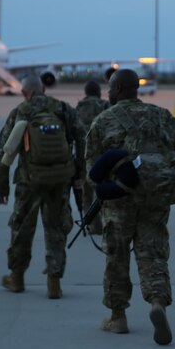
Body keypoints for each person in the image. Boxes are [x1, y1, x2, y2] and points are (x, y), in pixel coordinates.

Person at [85, 68, 175, 345]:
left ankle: (118, 317)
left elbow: (91, 169)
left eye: (110, 88)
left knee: (117, 256)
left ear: (118, 89)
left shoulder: (104, 121)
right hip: (156, 198)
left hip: (120, 200)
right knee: (153, 252)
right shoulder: (162, 115)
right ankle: (157, 304)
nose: (108, 93)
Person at [0, 75, 86, 299]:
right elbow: (82, 139)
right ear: (43, 89)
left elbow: (4, 151)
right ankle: (54, 283)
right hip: (59, 180)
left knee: (21, 228)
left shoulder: (20, 111)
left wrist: (1, 187)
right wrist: (78, 173)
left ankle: (16, 278)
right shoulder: (63, 109)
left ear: (24, 92)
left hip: (28, 180)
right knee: (56, 229)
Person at [75, 80, 111, 234]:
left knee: (87, 192)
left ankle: (91, 225)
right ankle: (105, 223)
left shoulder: (79, 107)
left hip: (84, 154)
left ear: (85, 92)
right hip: (103, 156)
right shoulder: (105, 106)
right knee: (103, 191)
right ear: (99, 92)